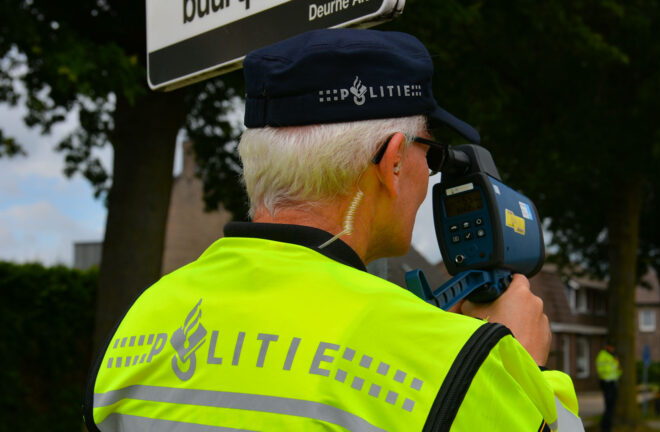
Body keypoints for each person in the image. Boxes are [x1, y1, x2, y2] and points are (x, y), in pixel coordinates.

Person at [84, 29, 583, 431]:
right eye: (429, 153)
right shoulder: (455, 364)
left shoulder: (140, 322)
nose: (430, 173)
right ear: (390, 163)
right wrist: (523, 369)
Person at [596, 342, 622, 432]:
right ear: (607, 347)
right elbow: (603, 371)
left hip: (613, 382)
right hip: (607, 383)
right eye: (611, 347)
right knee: (609, 406)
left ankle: (607, 426)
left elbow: (617, 370)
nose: (612, 349)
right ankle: (605, 427)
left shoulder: (613, 356)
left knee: (611, 407)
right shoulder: (603, 356)